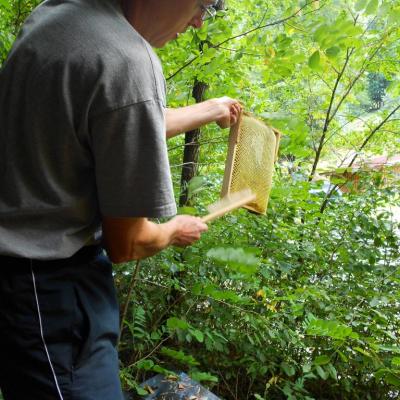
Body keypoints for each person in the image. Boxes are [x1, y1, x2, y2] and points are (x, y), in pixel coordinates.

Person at [0, 0, 241, 398]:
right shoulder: (129, 60)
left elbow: (105, 119)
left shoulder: (58, 15)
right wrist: (172, 230)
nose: (200, 20)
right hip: (51, 296)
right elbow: (127, 243)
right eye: (204, 4)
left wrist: (209, 109)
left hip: (19, 283)